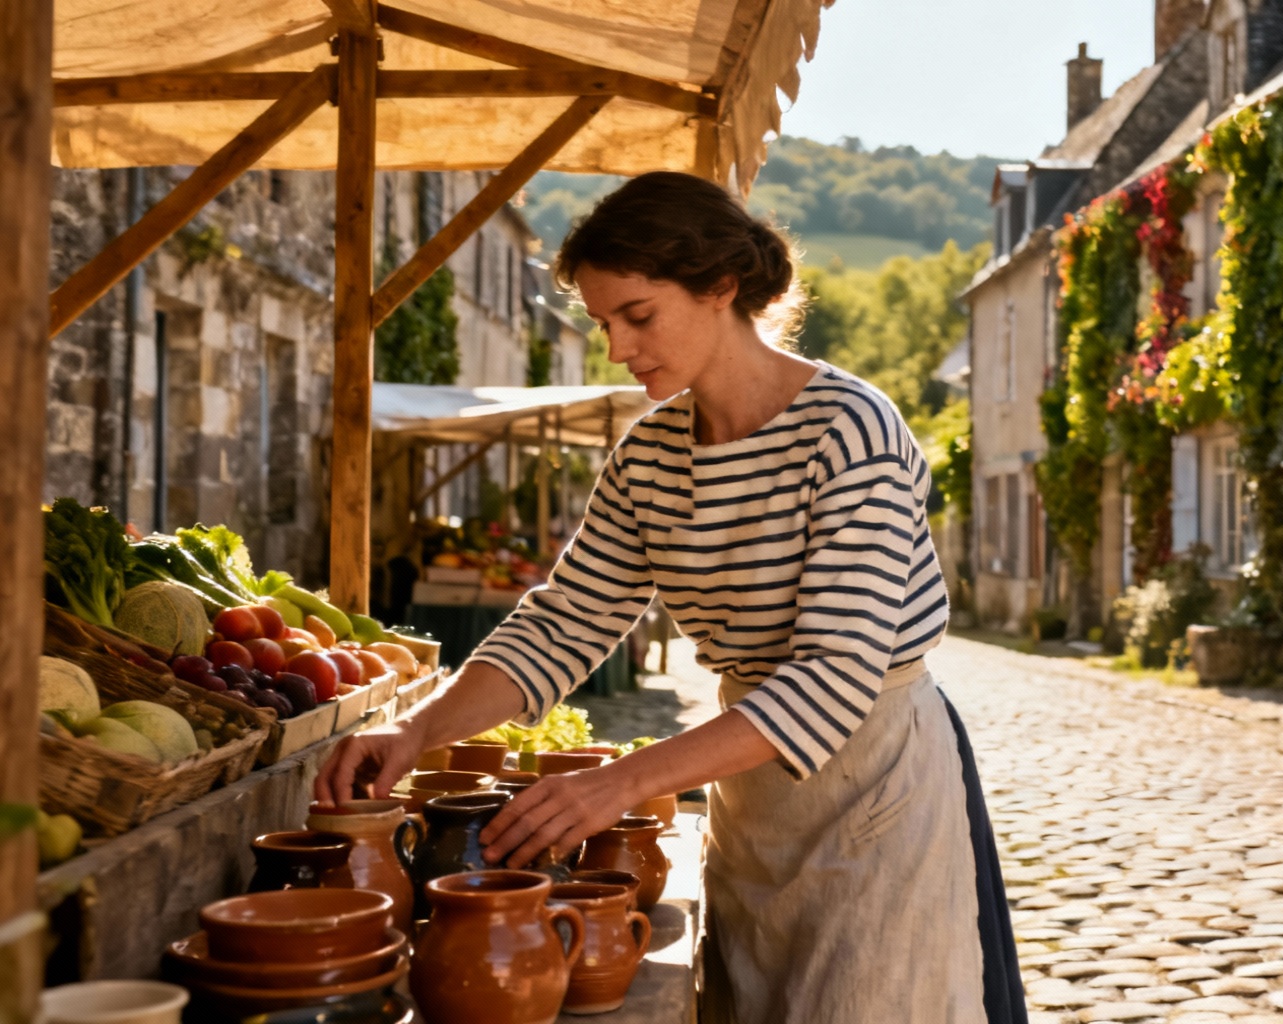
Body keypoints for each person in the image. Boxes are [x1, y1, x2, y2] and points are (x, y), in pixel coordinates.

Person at [315, 171, 1024, 1024]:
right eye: (604, 323)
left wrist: (618, 784)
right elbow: (565, 622)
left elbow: (836, 677)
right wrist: (416, 729)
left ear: (721, 287)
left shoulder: (851, 429)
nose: (617, 347)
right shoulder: (650, 455)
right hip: (750, 796)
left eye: (637, 316)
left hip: (875, 787)